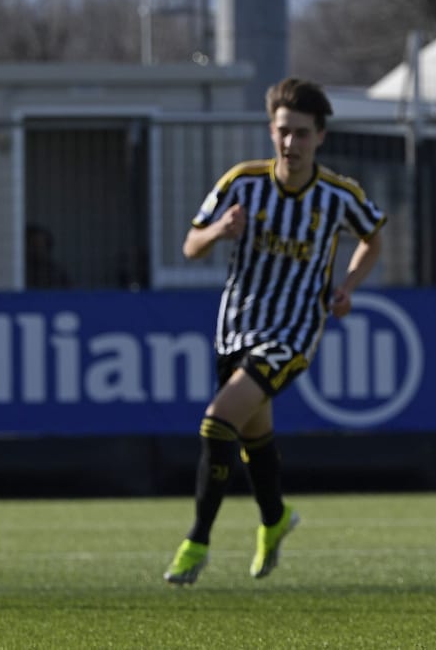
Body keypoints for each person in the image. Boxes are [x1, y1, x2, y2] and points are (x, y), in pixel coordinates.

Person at [163, 78, 386, 585]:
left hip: (293, 332)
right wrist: (219, 231)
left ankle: (195, 543)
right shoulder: (242, 183)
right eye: (284, 132)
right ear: (271, 130)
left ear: (320, 137)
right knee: (253, 435)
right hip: (234, 330)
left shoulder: (337, 194)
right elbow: (190, 246)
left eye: (302, 134)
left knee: (218, 422)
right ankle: (275, 518)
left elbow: (372, 238)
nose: (291, 143)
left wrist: (348, 286)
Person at [25, 223, 71, 289]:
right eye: (34, 245)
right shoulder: (20, 270)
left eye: (41, 245)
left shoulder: (54, 271)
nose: (38, 249)